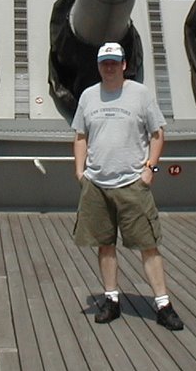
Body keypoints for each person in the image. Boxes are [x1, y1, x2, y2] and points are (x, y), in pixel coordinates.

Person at [72, 42, 184, 331]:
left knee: (148, 245)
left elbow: (158, 135)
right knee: (105, 244)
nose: (109, 67)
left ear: (123, 65)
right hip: (97, 184)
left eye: (114, 62)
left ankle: (163, 304)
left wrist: (151, 168)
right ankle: (111, 299)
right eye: (104, 62)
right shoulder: (88, 97)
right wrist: (80, 171)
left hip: (132, 182)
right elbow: (80, 136)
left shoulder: (140, 94)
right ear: (99, 66)